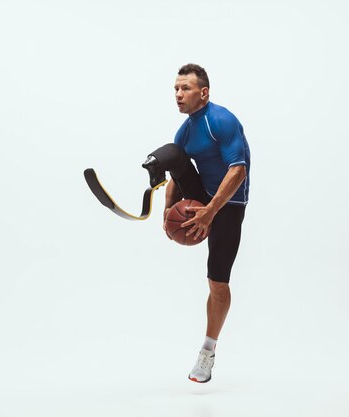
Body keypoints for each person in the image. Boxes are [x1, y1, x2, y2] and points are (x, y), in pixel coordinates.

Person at [142, 63, 251, 383]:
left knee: (217, 283)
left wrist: (210, 212)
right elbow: (180, 169)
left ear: (203, 92)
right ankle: (152, 168)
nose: (178, 95)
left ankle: (207, 351)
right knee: (172, 153)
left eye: (185, 88)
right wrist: (168, 208)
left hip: (229, 203)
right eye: (176, 89)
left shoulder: (222, 120)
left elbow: (238, 171)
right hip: (202, 194)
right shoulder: (186, 130)